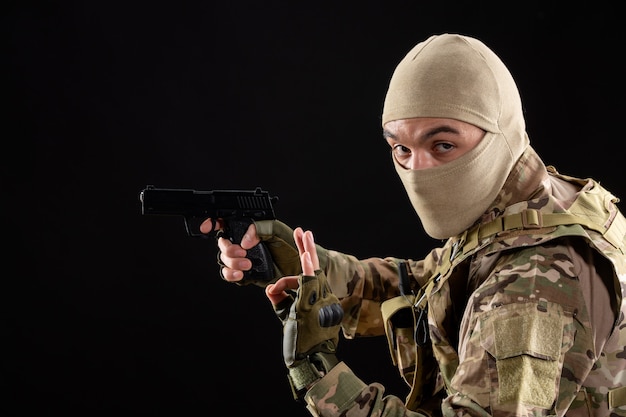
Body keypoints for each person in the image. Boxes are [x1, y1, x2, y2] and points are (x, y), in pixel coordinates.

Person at [200, 33, 626, 416]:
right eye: (401, 148)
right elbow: (430, 281)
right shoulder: (533, 204)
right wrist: (301, 266)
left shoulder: (532, 282)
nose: (419, 169)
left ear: (500, 132)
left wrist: (318, 372)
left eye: (442, 145)